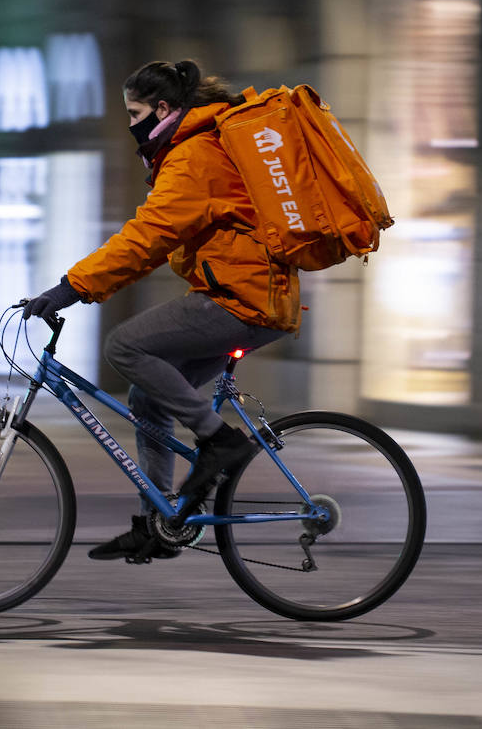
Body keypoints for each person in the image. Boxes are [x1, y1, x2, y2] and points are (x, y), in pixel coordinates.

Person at [22, 59, 302, 562]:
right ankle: (160, 523)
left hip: (242, 298)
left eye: (134, 113)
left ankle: (220, 443)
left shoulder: (194, 155)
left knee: (124, 346)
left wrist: (71, 287)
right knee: (147, 395)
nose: (130, 125)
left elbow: (146, 238)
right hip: (249, 296)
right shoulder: (190, 148)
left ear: (164, 109)